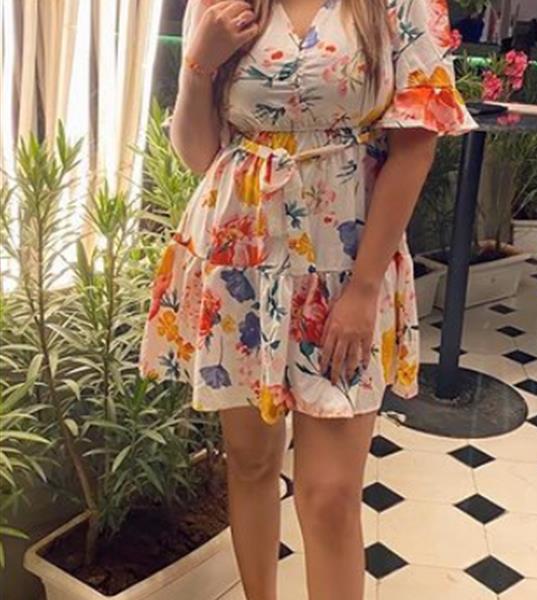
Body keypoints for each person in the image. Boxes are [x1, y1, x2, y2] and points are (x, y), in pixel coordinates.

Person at [138, 0, 476, 598]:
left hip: (346, 264)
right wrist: (200, 63)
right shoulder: (222, 6)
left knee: (329, 496)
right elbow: (199, 157)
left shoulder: (397, 6)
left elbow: (416, 146)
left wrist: (364, 289)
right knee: (250, 464)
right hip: (242, 263)